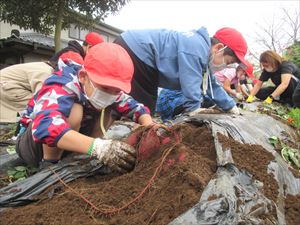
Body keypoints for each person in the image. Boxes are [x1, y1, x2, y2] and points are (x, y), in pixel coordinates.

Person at [16, 43, 153, 173]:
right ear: (83, 77)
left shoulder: (111, 92)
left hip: (70, 143)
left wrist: (150, 127)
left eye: (116, 90)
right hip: (33, 146)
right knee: (74, 109)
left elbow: (136, 107)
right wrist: (98, 147)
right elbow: (45, 126)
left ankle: (79, 156)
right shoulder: (62, 83)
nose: (110, 94)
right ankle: (49, 165)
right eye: (105, 88)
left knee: (112, 109)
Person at [114, 27, 249, 115]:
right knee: (141, 110)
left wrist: (230, 106)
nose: (226, 66)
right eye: (229, 62)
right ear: (218, 48)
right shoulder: (196, 49)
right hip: (136, 51)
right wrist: (195, 110)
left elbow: (211, 84)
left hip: (138, 53)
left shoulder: (202, 53)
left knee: (142, 108)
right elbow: (190, 83)